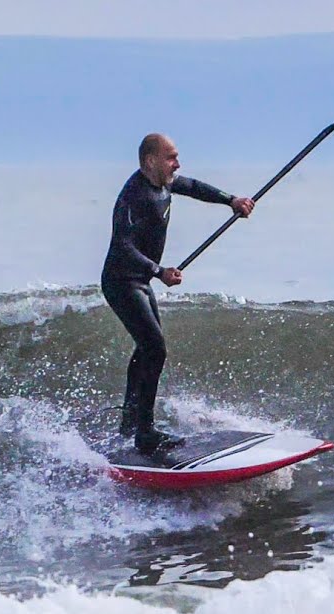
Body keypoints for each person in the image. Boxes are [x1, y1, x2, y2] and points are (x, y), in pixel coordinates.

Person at [101, 133, 255, 453]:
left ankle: (131, 422)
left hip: (139, 281)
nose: (177, 164)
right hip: (121, 282)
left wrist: (231, 200)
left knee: (146, 348)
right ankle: (145, 433)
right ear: (150, 161)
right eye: (171, 157)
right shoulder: (133, 195)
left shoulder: (165, 183)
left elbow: (194, 187)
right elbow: (122, 247)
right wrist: (160, 271)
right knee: (155, 348)